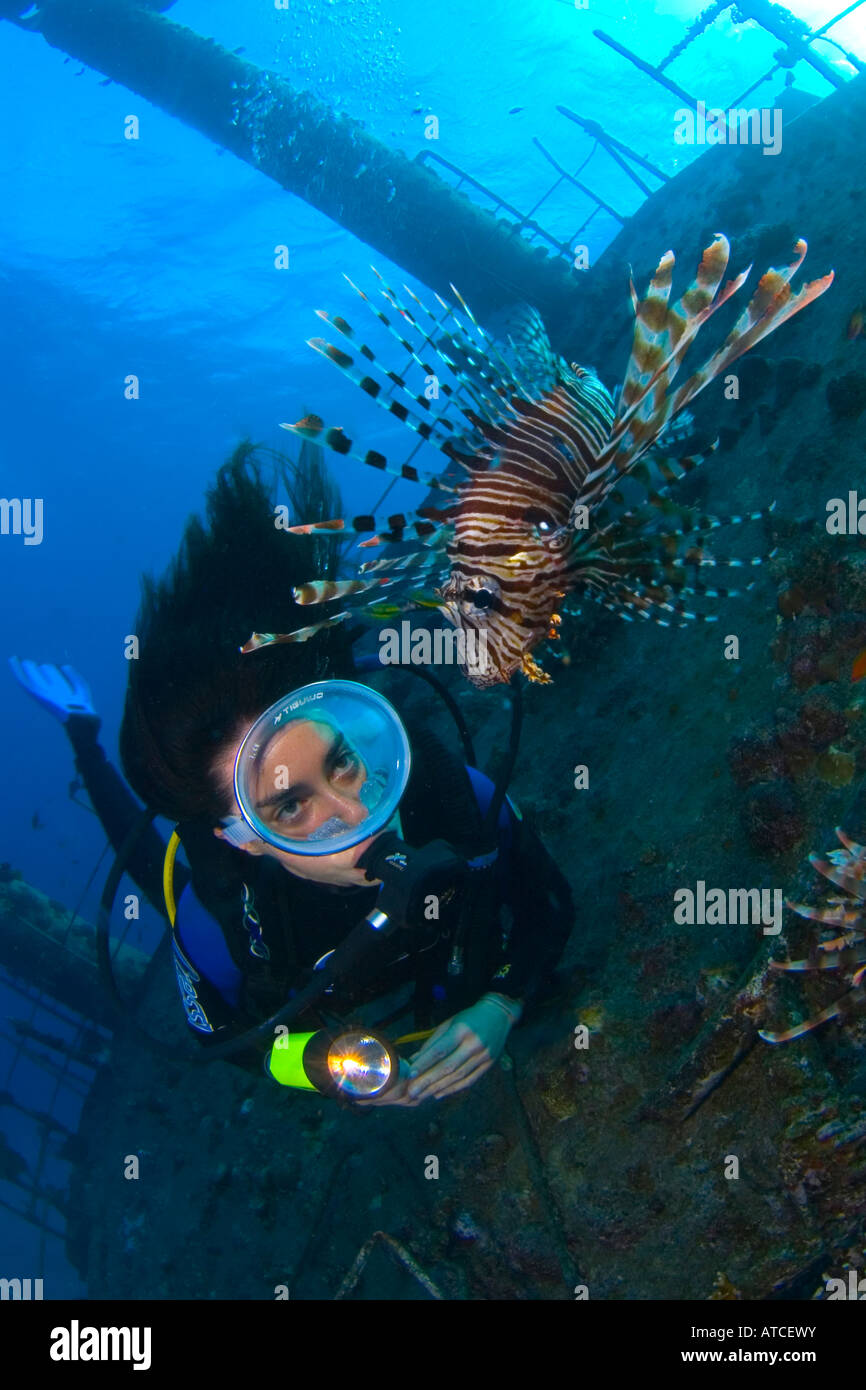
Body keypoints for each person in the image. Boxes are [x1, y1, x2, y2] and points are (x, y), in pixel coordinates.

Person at [11, 443, 574, 1106]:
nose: (359, 812)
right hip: (232, 894)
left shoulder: (454, 800)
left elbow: (549, 903)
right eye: (289, 808)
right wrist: (324, 1064)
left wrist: (503, 1001)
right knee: (155, 871)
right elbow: (226, 1037)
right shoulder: (220, 928)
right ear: (242, 834)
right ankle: (83, 735)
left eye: (340, 761)